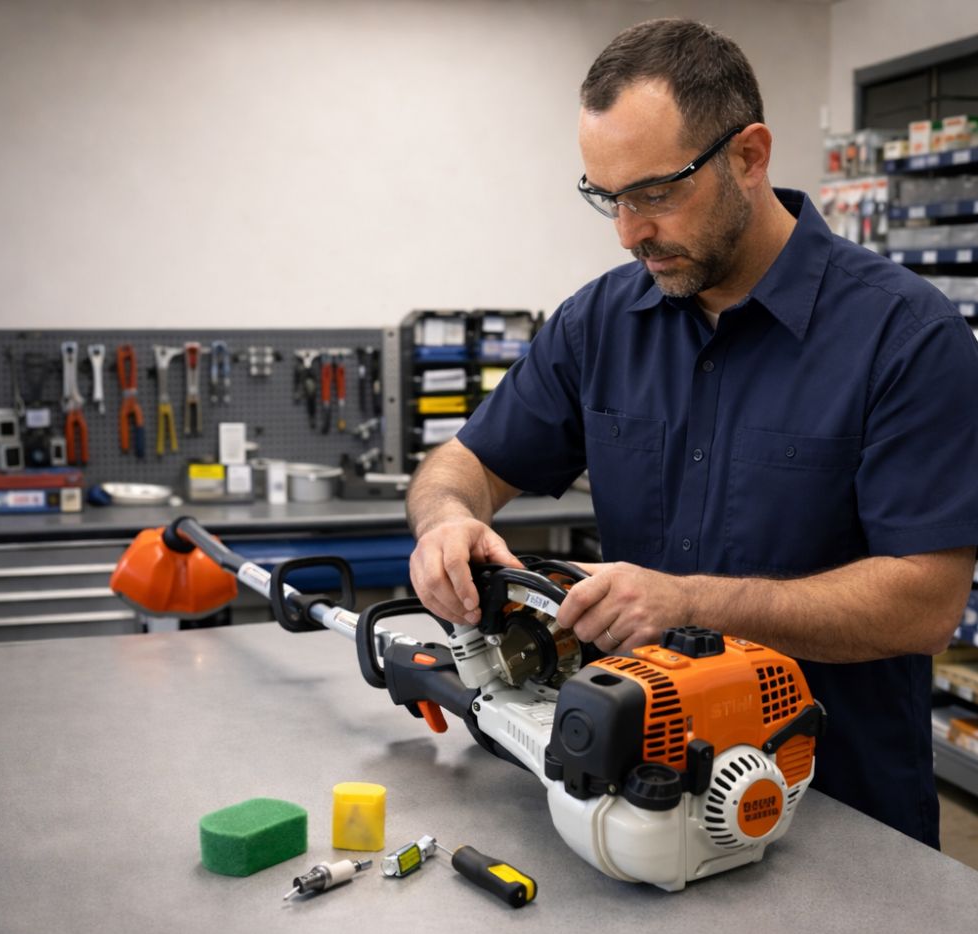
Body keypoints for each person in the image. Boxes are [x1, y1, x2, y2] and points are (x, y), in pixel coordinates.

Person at [406, 17, 978, 849]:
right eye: (609, 197)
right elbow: (462, 466)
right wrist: (447, 521)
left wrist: (685, 602)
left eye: (656, 192)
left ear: (749, 155)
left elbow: (925, 603)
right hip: (636, 802)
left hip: (835, 817)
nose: (630, 230)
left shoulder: (906, 337)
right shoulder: (600, 322)